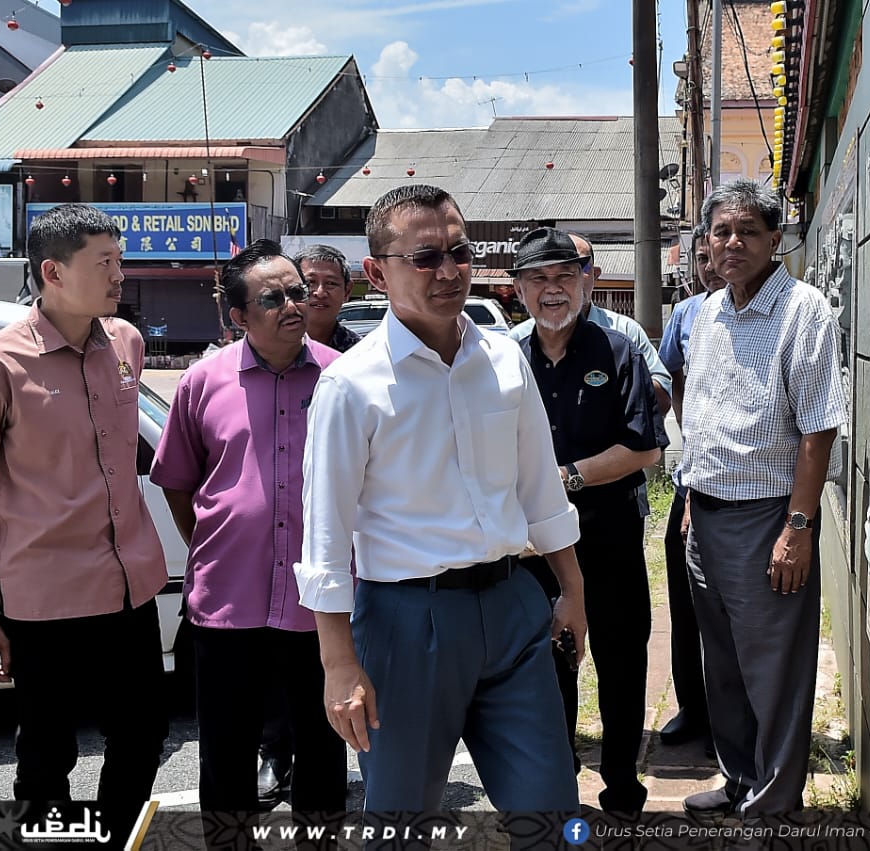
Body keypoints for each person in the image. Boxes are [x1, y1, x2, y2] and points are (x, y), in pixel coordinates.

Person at [295, 184, 586, 814]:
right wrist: (338, 663)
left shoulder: (506, 358)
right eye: (425, 258)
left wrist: (572, 590)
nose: (449, 271)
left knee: (550, 808)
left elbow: (540, 487)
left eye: (459, 251)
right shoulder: (350, 385)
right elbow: (324, 536)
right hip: (406, 622)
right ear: (376, 273)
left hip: (514, 608)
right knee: (402, 820)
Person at [0, 203, 169, 843]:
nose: (119, 276)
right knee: (47, 756)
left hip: (131, 586)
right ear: (52, 270)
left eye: (120, 260)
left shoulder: (126, 343)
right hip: (46, 599)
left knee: (143, 735)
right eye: (103, 263)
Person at [150, 239, 346, 848]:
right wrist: (219, 544)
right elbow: (179, 483)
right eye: (275, 297)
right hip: (227, 602)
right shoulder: (203, 381)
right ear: (238, 317)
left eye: (299, 291)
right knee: (227, 754)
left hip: (320, 605)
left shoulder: (343, 379)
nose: (296, 303)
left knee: (322, 747)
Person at [679, 179, 848, 815]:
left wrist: (797, 527)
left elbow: (817, 428)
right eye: (721, 231)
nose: (732, 243)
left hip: (768, 518)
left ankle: (775, 805)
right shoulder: (708, 311)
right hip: (706, 515)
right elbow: (703, 411)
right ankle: (741, 780)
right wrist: (692, 499)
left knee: (772, 671)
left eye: (748, 231)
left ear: (775, 239)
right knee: (721, 665)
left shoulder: (803, 310)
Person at [512, 227, 667, 814]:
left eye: (562, 277)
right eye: (537, 279)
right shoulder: (505, 359)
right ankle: (557, 779)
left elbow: (644, 448)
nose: (551, 291)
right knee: (549, 667)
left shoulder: (618, 350)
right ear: (518, 289)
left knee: (622, 663)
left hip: (612, 537)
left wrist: (564, 478)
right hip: (533, 549)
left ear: (583, 282)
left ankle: (623, 784)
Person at [255, 243, 360, 808]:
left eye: (323, 285)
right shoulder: (240, 358)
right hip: (263, 564)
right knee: (274, 680)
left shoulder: (358, 364)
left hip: (334, 559)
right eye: (303, 283)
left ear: (348, 292)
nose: (312, 295)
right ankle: (274, 754)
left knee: (333, 675)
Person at [656, 222, 725, 753]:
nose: (709, 265)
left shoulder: (777, 311)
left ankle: (736, 718)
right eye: (700, 257)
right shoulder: (686, 313)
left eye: (714, 253)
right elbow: (673, 379)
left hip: (744, 486)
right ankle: (692, 709)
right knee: (684, 604)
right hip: (691, 478)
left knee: (731, 609)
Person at [511, 233, 672, 415]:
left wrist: (617, 384)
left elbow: (661, 399)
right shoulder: (515, 343)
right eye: (539, 277)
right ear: (519, 290)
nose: (554, 287)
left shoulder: (624, 338)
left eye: (567, 272)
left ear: (589, 275)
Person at [296, 243, 362, 353]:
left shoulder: (360, 352)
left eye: (331, 283)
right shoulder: (270, 346)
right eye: (310, 282)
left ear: (347, 291)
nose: (320, 293)